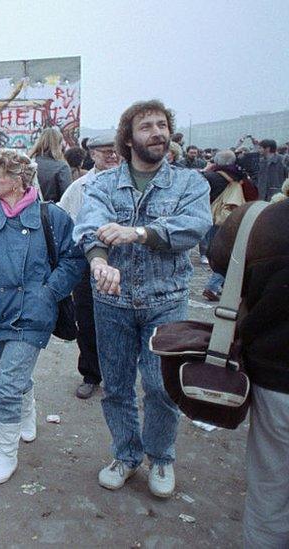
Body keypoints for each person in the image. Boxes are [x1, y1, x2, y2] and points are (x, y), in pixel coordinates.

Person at [74, 99, 211, 498]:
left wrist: (140, 233)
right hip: (111, 301)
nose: (158, 132)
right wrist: (99, 263)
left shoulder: (190, 183)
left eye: (162, 124)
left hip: (165, 300)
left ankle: (161, 457)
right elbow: (89, 229)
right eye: (147, 126)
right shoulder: (101, 183)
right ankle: (126, 454)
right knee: (115, 386)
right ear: (129, 139)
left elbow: (193, 227)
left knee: (160, 386)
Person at [0, 148, 84, 484]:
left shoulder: (51, 217)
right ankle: (28, 405)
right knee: (15, 376)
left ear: (17, 180)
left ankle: (6, 454)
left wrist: (50, 292)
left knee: (6, 385)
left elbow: (73, 257)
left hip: (35, 313)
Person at [207, 200, 289, 548]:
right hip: (277, 379)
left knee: (271, 487)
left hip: (278, 380)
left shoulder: (263, 220)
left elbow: (220, 259)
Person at [58, 133, 120, 399]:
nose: (112, 156)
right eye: (105, 152)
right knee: (87, 319)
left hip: (124, 264)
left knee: (122, 323)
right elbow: (64, 221)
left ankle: (119, 377)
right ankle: (91, 374)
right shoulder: (80, 187)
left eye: (116, 151)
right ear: (92, 155)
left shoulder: (132, 184)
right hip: (87, 266)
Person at [201, 150, 257, 302]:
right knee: (231, 253)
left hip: (213, 217)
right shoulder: (241, 176)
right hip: (235, 218)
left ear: (217, 162)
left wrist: (205, 170)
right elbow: (253, 195)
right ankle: (221, 286)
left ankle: (213, 286)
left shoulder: (210, 176)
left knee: (217, 254)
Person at [28, 127, 72, 202]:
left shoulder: (28, 163)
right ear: (58, 145)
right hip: (51, 211)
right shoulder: (62, 167)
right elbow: (67, 197)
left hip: (27, 210)